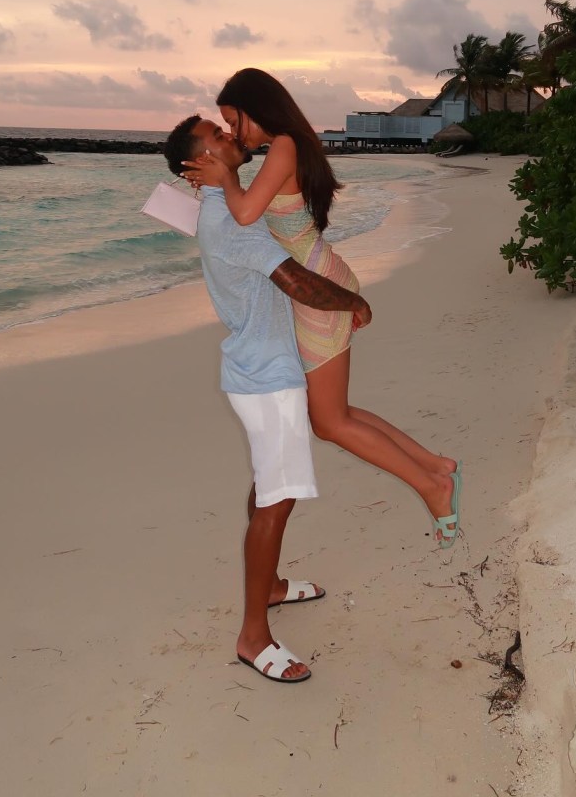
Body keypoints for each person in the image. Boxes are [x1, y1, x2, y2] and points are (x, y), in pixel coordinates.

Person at [181, 68, 463, 547]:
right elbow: (240, 215)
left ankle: (434, 485)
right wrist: (214, 187)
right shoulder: (280, 150)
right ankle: (437, 467)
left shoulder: (285, 145)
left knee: (330, 422)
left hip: (316, 289)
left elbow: (246, 213)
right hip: (314, 284)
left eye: (234, 120)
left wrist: (225, 176)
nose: (233, 132)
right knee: (337, 415)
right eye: (224, 127)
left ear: (256, 108)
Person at [164, 114, 372, 684]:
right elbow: (297, 283)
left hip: (259, 369)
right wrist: (352, 302)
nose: (231, 136)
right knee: (275, 502)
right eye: (218, 136)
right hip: (268, 377)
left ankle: (273, 586)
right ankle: (253, 636)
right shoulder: (233, 224)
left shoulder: (222, 208)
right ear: (198, 162)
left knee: (267, 489)